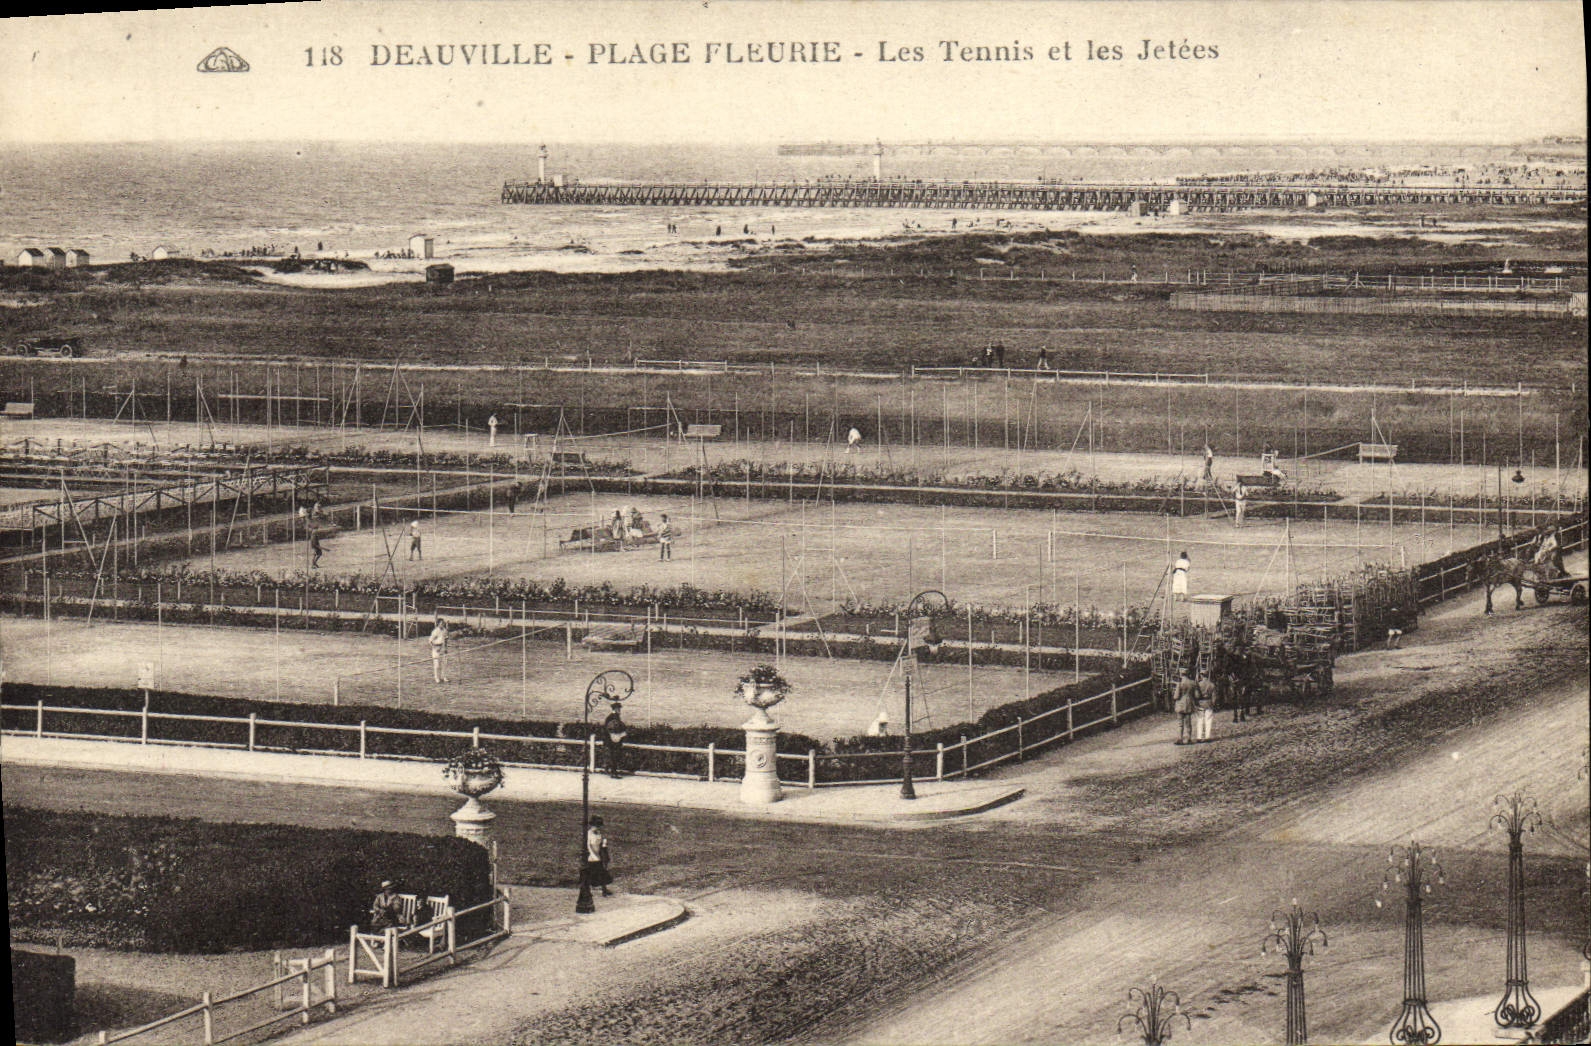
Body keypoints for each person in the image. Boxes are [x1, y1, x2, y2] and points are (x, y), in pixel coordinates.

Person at [585, 815, 614, 897]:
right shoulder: (588, 834)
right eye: (596, 826)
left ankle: (604, 890)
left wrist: (604, 845)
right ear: (592, 825)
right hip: (591, 857)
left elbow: (601, 845)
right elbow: (588, 846)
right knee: (591, 874)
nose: (597, 828)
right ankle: (588, 891)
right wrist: (593, 855)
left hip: (598, 855)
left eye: (598, 826)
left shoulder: (598, 834)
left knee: (602, 873)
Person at [1173, 672, 1196, 745]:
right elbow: (1195, 695)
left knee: (1180, 723)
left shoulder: (1179, 683)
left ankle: (1180, 739)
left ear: (1181, 675)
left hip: (1180, 704)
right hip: (1189, 703)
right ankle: (1189, 738)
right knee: (1188, 723)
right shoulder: (1192, 683)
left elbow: (1176, 696)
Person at [1194, 673, 1217, 742]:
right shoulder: (1212, 684)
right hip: (1209, 703)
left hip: (1200, 703)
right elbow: (1214, 696)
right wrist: (1213, 703)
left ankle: (1199, 737)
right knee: (1208, 720)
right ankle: (1207, 737)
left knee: (1200, 720)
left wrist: (1196, 702)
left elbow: (1196, 695)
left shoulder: (1198, 684)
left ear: (1201, 676)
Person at [428, 617, 450, 683]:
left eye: (443, 623)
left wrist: (445, 648)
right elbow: (430, 641)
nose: (442, 624)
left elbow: (446, 640)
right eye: (441, 623)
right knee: (437, 665)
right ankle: (437, 678)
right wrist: (435, 648)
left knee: (444, 663)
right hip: (436, 648)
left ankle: (444, 677)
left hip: (443, 648)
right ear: (438, 624)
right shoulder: (435, 631)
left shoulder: (445, 630)